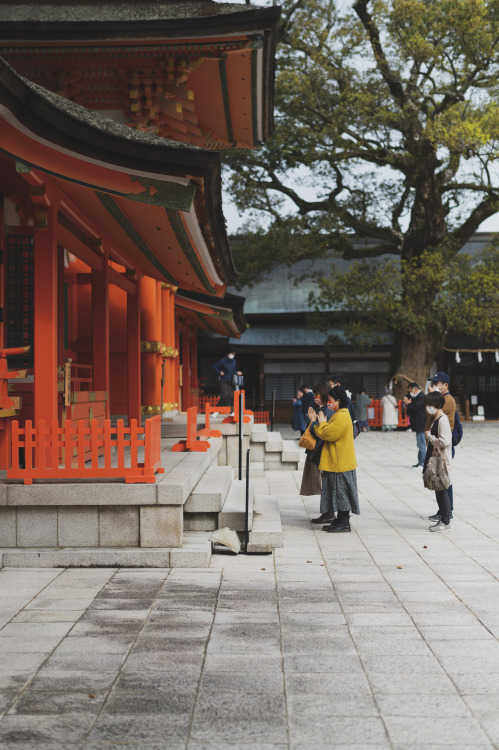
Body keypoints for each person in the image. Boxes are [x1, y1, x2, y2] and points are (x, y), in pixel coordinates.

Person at [314, 385, 360, 533]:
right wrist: (321, 424)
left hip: (340, 462)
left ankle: (344, 522)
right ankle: (339, 520)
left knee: (342, 493)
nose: (329, 403)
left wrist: (321, 423)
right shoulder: (340, 414)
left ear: (338, 401)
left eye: (330, 400)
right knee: (338, 492)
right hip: (339, 461)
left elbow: (329, 434)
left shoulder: (342, 416)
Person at [426, 371, 456, 521]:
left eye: (436, 384)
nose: (433, 386)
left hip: (442, 445)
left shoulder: (447, 400)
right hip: (436, 444)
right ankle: (442, 511)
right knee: (439, 481)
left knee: (444, 481)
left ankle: (447, 512)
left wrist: (432, 397)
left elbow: (435, 415)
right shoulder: (440, 399)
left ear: (445, 385)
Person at [301, 382, 334, 517]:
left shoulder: (327, 411)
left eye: (317, 394)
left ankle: (329, 512)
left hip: (323, 451)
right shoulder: (321, 409)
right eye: (314, 394)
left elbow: (321, 432)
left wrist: (313, 421)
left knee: (325, 483)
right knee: (323, 483)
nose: (315, 397)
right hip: (320, 450)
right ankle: (327, 512)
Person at [423, 390, 452, 532]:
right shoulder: (436, 418)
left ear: (435, 404)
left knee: (442, 491)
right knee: (439, 490)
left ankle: (446, 522)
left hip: (441, 461)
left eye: (429, 404)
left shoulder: (443, 420)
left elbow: (445, 442)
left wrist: (430, 437)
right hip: (436, 460)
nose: (427, 407)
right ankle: (443, 519)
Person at [403, 382, 427, 468]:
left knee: (421, 444)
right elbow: (410, 410)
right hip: (417, 423)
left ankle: (423, 462)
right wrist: (408, 403)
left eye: (411, 391)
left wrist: (409, 404)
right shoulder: (415, 397)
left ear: (415, 389)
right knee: (420, 443)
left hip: (421, 423)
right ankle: (420, 461)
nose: (410, 393)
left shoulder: (422, 397)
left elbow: (415, 408)